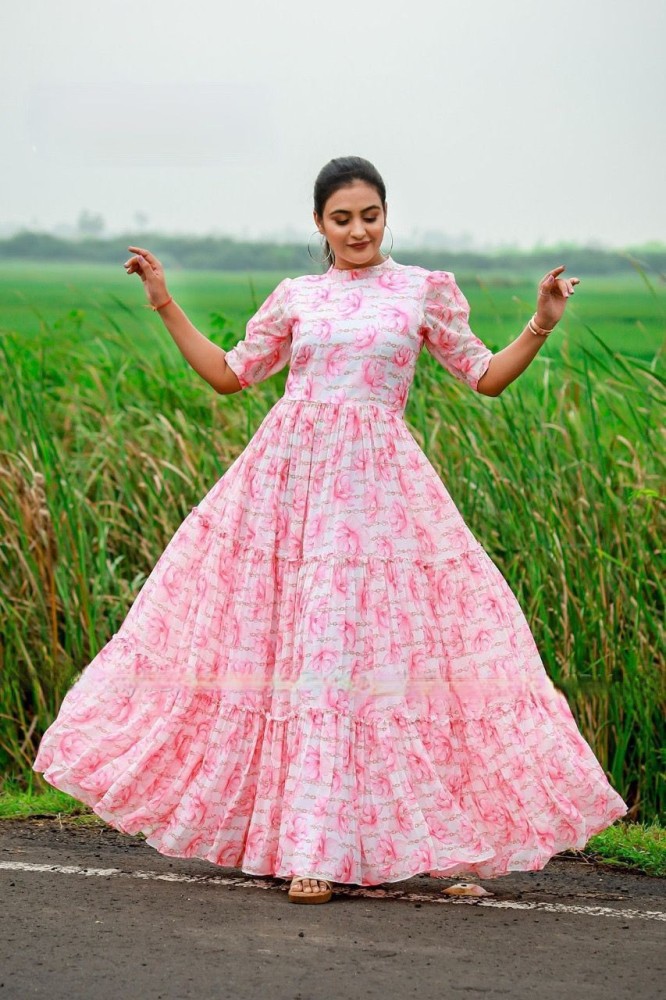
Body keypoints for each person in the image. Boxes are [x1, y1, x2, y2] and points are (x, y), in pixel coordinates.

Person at [32, 155, 628, 906]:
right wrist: (163, 303)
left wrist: (541, 320)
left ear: (386, 216)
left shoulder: (423, 291)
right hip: (286, 492)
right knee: (287, 654)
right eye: (341, 218)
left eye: (370, 216)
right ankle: (306, 847)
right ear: (319, 223)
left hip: (380, 501)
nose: (358, 230)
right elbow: (231, 375)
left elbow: (483, 375)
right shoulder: (297, 297)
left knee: (380, 657)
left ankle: (371, 842)